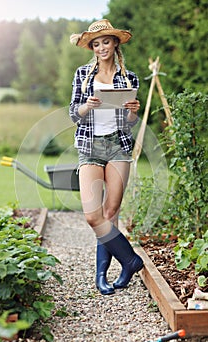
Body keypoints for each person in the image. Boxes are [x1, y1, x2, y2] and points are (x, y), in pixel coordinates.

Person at [69, 19, 143, 295]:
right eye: (96, 43)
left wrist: (133, 111)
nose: (101, 47)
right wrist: (87, 105)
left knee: (111, 214)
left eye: (106, 42)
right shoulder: (83, 75)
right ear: (92, 47)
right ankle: (130, 259)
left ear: (115, 44)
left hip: (118, 146)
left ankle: (104, 276)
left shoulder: (128, 77)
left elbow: (129, 123)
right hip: (90, 146)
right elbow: (73, 114)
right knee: (93, 215)